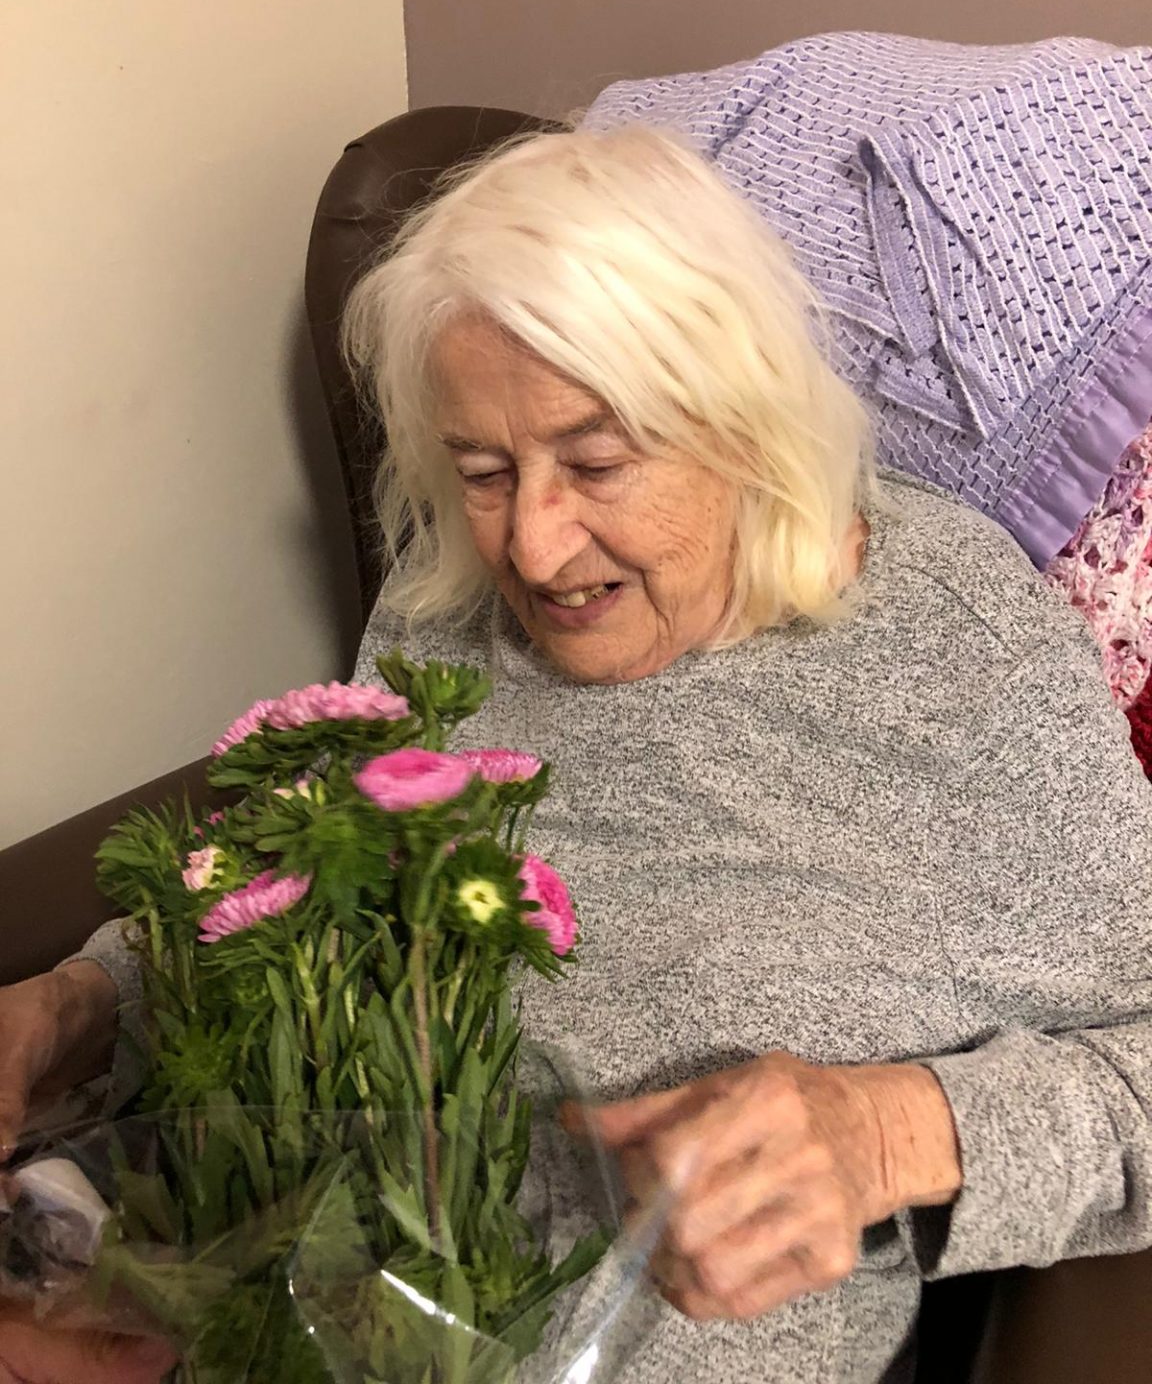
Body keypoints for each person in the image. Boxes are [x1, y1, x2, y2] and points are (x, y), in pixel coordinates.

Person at [4, 125, 1152, 1383]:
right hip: (251, 1309)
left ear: (747, 424)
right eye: (483, 470)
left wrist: (888, 1136)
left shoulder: (955, 647)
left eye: (598, 462)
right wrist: (84, 1000)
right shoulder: (452, 594)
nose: (534, 548)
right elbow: (307, 880)